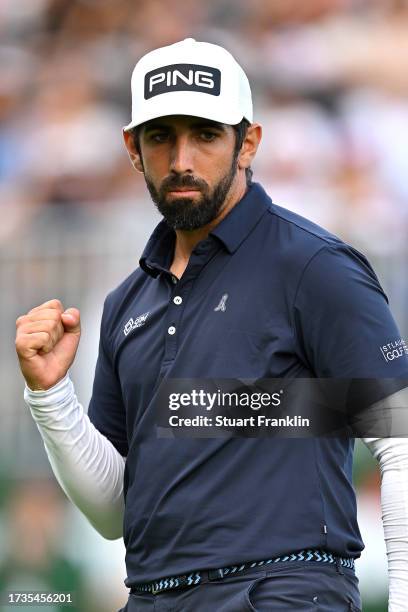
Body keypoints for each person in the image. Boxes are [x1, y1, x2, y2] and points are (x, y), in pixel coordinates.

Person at [15, 38, 408, 612]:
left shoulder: (313, 266)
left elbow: (399, 444)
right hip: (150, 597)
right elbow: (114, 514)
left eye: (204, 134)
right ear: (132, 147)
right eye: (160, 136)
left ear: (248, 141)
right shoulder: (127, 303)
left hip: (284, 592)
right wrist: (50, 397)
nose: (181, 161)